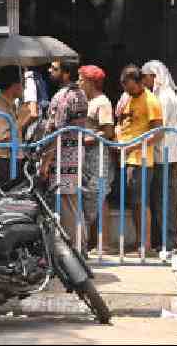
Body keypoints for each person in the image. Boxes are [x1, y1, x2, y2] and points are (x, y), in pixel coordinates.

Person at [115, 64, 163, 254]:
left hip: (141, 159)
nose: (128, 91)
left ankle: (146, 245)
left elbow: (158, 133)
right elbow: (122, 122)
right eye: (125, 87)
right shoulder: (127, 98)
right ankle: (139, 243)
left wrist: (132, 146)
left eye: (131, 87)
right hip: (126, 157)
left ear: (140, 82)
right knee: (134, 202)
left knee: (141, 202)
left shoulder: (150, 101)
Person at [41, 61, 89, 247]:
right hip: (76, 153)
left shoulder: (63, 97)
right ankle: (80, 246)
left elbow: (56, 133)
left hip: (64, 156)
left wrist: (46, 162)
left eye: (55, 69)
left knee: (66, 204)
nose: (50, 71)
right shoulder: (81, 94)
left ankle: (73, 250)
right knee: (73, 204)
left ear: (66, 73)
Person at [142, 60, 177, 252]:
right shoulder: (160, 95)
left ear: (154, 76)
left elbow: (159, 129)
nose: (144, 81)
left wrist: (139, 144)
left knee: (165, 200)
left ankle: (170, 242)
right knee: (160, 199)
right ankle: (163, 241)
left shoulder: (165, 96)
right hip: (161, 155)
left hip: (166, 156)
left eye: (146, 77)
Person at [78, 65, 115, 252]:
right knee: (88, 197)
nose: (79, 83)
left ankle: (104, 243)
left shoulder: (102, 102)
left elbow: (108, 131)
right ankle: (91, 241)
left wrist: (86, 139)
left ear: (91, 82)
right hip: (86, 155)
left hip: (98, 155)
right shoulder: (86, 100)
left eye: (81, 79)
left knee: (99, 196)